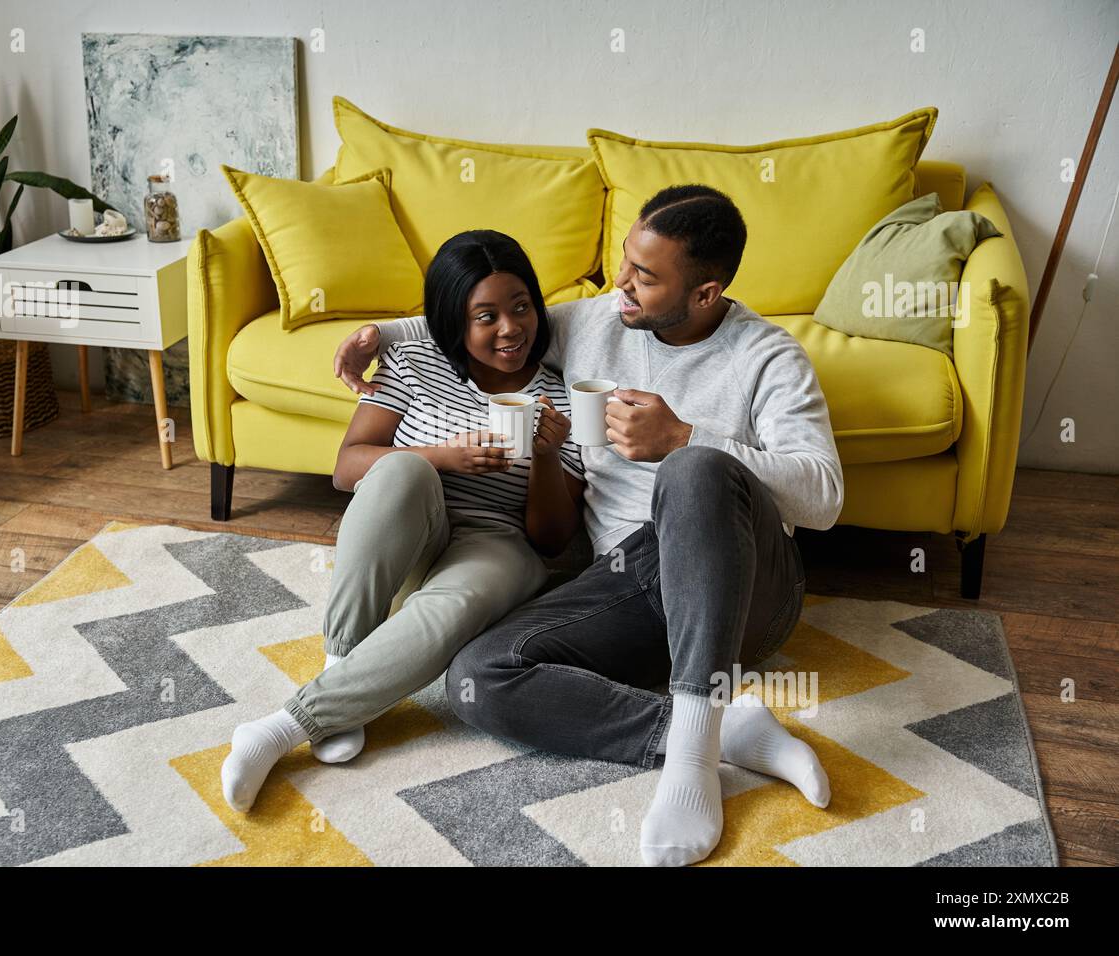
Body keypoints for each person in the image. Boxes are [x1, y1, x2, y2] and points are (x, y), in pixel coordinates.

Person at [334, 185, 845, 866]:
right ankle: (725, 729)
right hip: (630, 583)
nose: (621, 285)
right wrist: (376, 336)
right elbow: (489, 320)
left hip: (746, 593)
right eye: (624, 261)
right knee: (478, 676)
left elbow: (825, 497)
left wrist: (687, 434)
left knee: (690, 471)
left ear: (704, 293)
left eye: (645, 276)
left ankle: (691, 762)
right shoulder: (604, 320)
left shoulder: (767, 358)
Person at [221, 230, 586, 813]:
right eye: (485, 316)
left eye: (521, 307)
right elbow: (347, 469)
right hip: (409, 534)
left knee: (470, 597)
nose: (511, 329)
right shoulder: (414, 361)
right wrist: (444, 457)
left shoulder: (561, 398)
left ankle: (282, 727)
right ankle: (342, 659)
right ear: (451, 320)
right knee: (403, 473)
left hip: (497, 542)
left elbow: (551, 538)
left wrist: (544, 456)